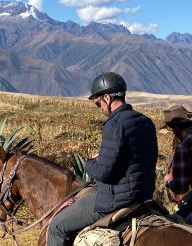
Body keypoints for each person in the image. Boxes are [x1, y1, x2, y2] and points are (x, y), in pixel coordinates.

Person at [48, 72, 159, 246]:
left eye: (98, 102)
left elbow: (104, 173)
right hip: (144, 195)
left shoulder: (114, 124)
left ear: (107, 98)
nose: (99, 107)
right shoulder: (146, 121)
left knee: (56, 226)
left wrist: (89, 163)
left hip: (117, 201)